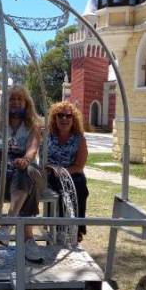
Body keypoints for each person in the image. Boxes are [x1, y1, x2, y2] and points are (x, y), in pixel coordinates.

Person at [0, 85, 45, 263]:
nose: (15, 102)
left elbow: (33, 149)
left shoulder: (32, 127)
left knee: (27, 172)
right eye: (11, 99)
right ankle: (28, 240)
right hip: (2, 179)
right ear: (5, 103)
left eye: (19, 99)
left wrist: (25, 160)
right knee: (29, 183)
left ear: (26, 103)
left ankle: (7, 225)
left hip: (25, 172)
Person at [45, 101, 89, 242]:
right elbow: (43, 160)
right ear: (54, 118)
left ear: (73, 119)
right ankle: (57, 228)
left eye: (68, 116)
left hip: (73, 173)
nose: (64, 119)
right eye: (60, 115)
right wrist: (53, 169)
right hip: (52, 174)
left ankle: (76, 228)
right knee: (56, 189)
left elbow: (79, 165)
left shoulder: (79, 139)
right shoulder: (47, 136)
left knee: (80, 187)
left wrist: (63, 171)